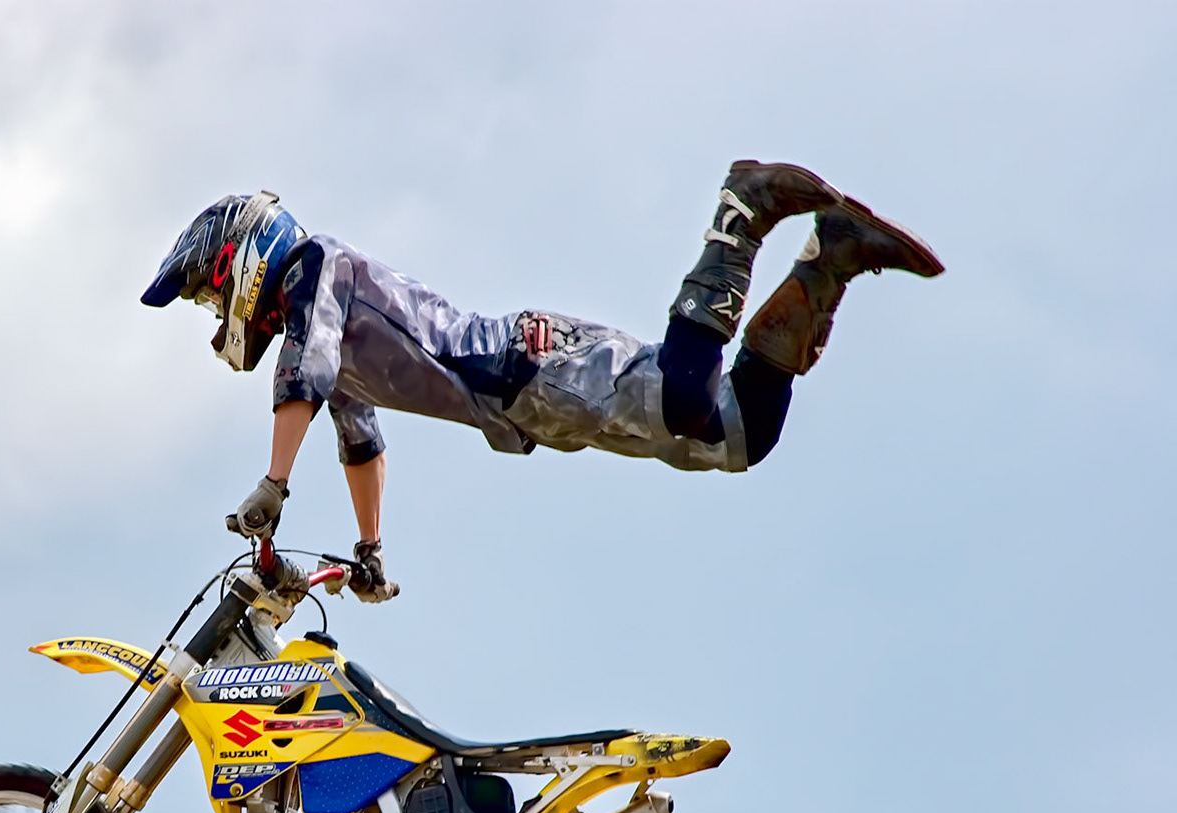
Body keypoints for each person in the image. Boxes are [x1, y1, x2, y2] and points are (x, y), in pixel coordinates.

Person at [140, 163, 944, 601]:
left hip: (525, 367)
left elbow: (303, 374)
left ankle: (741, 209)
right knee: (740, 435)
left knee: (685, 398)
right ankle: (831, 258)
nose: (216, 308)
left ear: (238, 258)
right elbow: (358, 436)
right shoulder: (315, 327)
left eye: (211, 289)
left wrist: (273, 485)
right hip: (531, 409)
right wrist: (370, 549)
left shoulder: (317, 270)